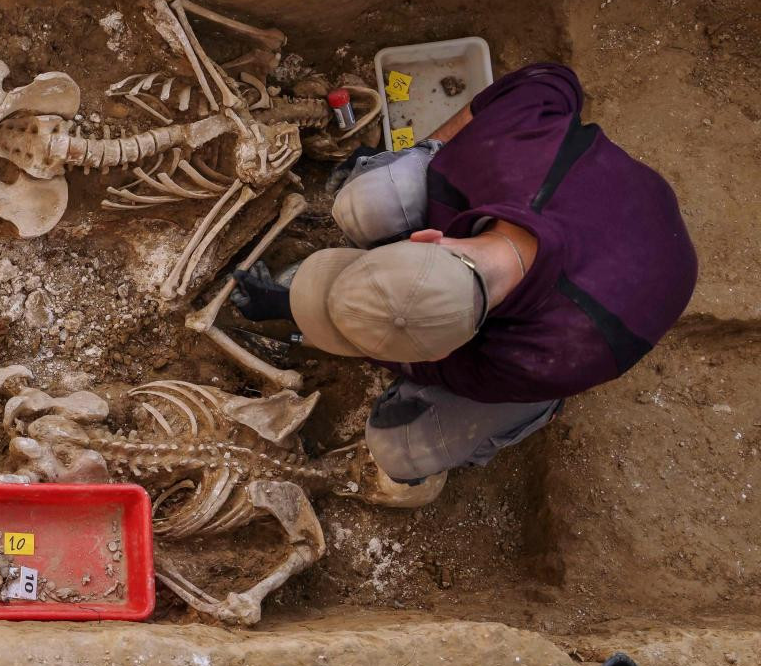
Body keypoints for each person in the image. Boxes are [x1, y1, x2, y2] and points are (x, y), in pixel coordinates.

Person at [231, 62, 695, 484]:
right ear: (430, 238)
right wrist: (431, 148)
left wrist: (294, 314)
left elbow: (425, 365)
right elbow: (554, 78)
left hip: (615, 309)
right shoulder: (504, 147)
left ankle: (534, 412)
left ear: (426, 236)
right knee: (367, 201)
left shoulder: (542, 359)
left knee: (400, 450)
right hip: (602, 211)